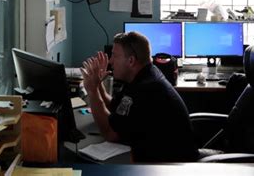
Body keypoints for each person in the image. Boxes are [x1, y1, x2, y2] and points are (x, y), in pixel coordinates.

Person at [80, 32, 199, 163]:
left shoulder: (146, 88)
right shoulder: (143, 75)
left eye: (114, 56)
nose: (111, 61)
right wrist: (97, 85)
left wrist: (92, 91)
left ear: (131, 61)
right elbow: (115, 107)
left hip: (171, 166)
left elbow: (110, 133)